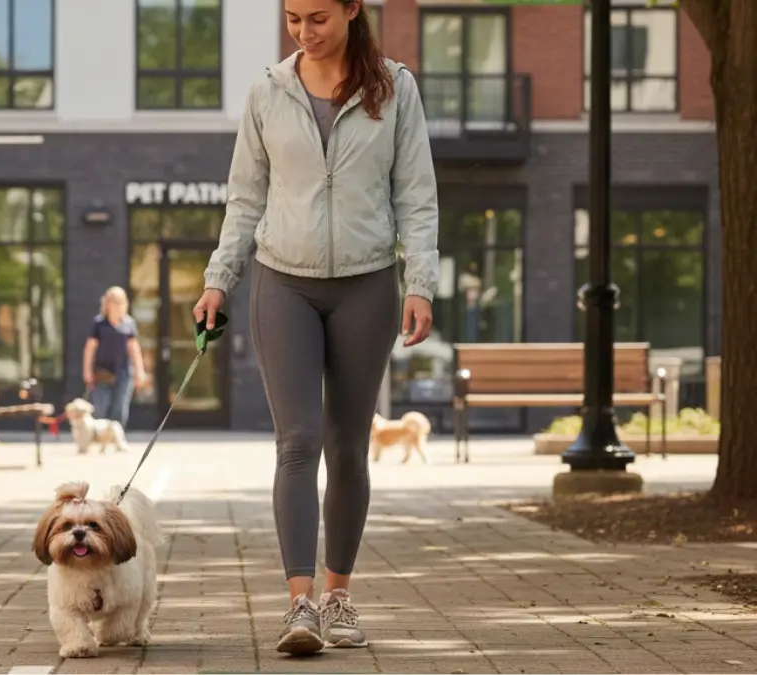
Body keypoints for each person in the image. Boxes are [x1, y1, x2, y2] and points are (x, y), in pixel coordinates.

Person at [193, 0, 439, 656]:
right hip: (284, 281)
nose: (305, 30)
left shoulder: (395, 88)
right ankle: (299, 602)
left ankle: (339, 597)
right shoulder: (267, 91)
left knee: (348, 444)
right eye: (294, 17)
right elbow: (245, 196)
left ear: (353, 9)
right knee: (297, 440)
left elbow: (416, 196)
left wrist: (420, 284)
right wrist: (220, 278)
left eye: (318, 17)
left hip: (367, 284)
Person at [82, 286, 149, 428]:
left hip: (123, 372)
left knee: (120, 409)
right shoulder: (99, 323)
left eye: (121, 301)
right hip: (102, 372)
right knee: (100, 408)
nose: (118, 305)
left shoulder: (129, 323)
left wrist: (140, 372)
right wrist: (87, 371)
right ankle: (99, 439)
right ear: (107, 304)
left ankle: (116, 439)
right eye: (114, 301)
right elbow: (90, 348)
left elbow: (134, 349)